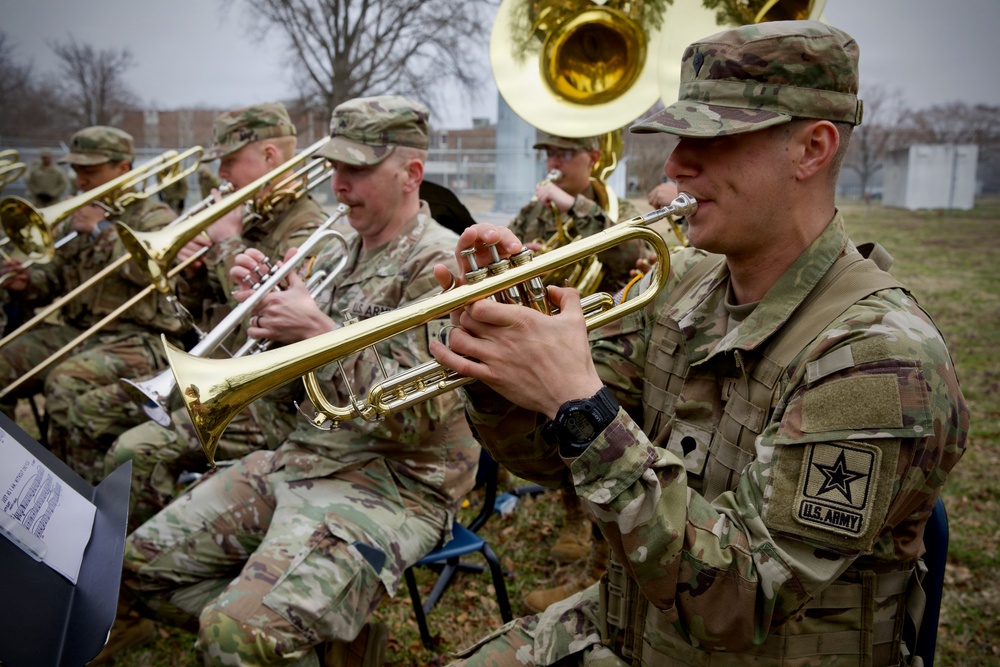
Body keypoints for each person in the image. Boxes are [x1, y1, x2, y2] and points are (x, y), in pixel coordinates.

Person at [431, 20, 968, 666]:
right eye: (679, 136)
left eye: (714, 139)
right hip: (633, 628)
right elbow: (550, 461)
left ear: (812, 148)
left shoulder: (881, 358)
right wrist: (495, 366)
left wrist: (579, 403)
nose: (676, 164)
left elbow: (738, 602)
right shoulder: (681, 285)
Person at [104, 95, 481, 666]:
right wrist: (269, 323)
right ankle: (317, 646)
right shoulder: (340, 252)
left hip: (392, 483)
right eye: (334, 168)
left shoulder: (443, 267)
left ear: (412, 175)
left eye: (356, 169)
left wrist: (319, 336)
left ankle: (259, 635)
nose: (338, 185)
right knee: (135, 572)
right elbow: (293, 396)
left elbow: (423, 415)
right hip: (302, 455)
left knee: (234, 634)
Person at [78, 102, 328, 529]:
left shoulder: (309, 225)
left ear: (269, 156)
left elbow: (269, 316)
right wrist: (193, 270)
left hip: (267, 395)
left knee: (133, 448)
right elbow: (194, 314)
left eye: (230, 161)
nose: (221, 174)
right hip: (213, 372)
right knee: (90, 409)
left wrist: (227, 241)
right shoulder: (245, 215)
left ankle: (137, 549)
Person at [0, 127, 187, 480]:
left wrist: (103, 233)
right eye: (77, 170)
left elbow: (160, 276)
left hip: (137, 338)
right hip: (78, 331)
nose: (81, 179)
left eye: (91, 171)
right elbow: (53, 279)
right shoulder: (79, 211)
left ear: (123, 167)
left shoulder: (154, 215)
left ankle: (73, 484)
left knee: (64, 383)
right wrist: (27, 282)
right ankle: (15, 477)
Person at [510, 132, 645, 612]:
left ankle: (599, 564)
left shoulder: (618, 212)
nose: (552, 162)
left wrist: (573, 208)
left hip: (603, 343)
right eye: (547, 153)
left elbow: (629, 255)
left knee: (597, 431)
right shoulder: (533, 210)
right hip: (544, 337)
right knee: (550, 431)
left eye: (564, 154)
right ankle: (572, 516)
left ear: (594, 157)